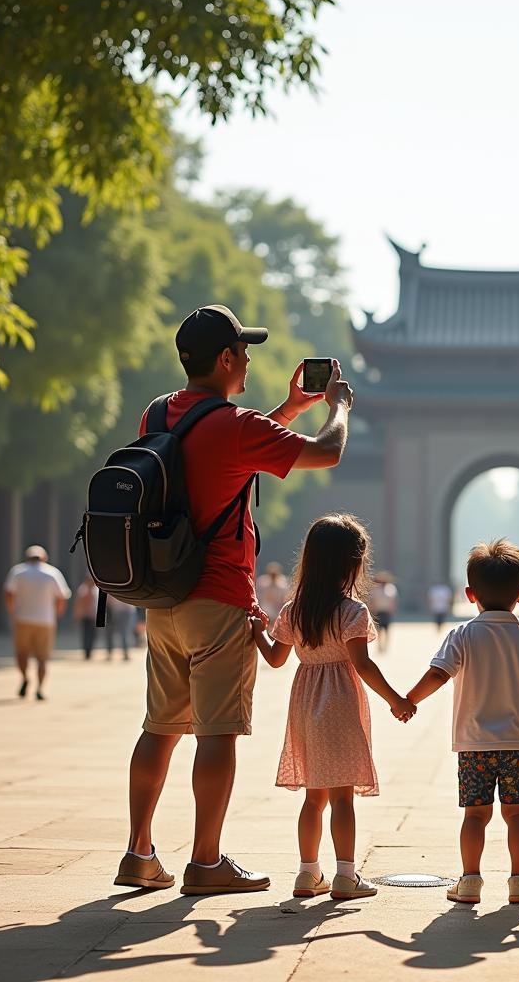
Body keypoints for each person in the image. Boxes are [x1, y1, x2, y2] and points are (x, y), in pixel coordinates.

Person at [114, 304, 355, 897]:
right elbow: (326, 452)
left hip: (163, 595)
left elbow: (215, 451)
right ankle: (205, 861)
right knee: (217, 732)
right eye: (243, 351)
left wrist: (290, 410)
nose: (248, 359)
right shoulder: (239, 425)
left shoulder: (158, 413)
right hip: (220, 598)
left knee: (160, 727)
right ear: (224, 359)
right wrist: (337, 407)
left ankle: (139, 853)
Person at [251, 515, 415, 900]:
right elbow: (363, 665)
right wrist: (396, 700)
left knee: (314, 796)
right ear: (354, 563)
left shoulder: (294, 610)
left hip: (305, 704)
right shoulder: (352, 613)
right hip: (341, 703)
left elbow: (276, 659)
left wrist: (258, 632)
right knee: (343, 796)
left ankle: (308, 874)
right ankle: (345, 875)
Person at [407, 540, 519, 905]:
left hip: (473, 743)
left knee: (475, 815)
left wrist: (408, 699)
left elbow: (438, 675)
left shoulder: (462, 635)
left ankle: (470, 880)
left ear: (470, 594)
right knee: (518, 814)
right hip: (518, 744)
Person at [3, 545, 71, 700]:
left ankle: (25, 677)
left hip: (23, 619)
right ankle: (40, 688)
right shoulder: (52, 573)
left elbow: (8, 593)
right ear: (44, 558)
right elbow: (62, 597)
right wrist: (56, 614)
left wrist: (12, 611)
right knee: (42, 658)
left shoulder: (18, 571)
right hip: (45, 621)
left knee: (22, 653)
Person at [368, 572, 399, 652]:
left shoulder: (391, 588)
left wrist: (392, 610)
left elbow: (394, 600)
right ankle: (379, 645)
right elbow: (372, 601)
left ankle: (385, 646)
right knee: (379, 630)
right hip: (378, 612)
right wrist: (372, 611)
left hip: (386, 612)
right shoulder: (375, 589)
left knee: (387, 630)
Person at [74, 574, 99, 660]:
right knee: (87, 634)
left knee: (93, 635)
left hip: (93, 616)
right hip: (86, 616)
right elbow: (80, 603)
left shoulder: (96, 589)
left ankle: (90, 650)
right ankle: (87, 652)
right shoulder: (84, 589)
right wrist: (78, 614)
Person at [105, 597, 135, 661]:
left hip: (123, 610)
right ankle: (124, 653)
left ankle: (124, 653)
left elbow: (108, 600)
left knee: (123, 633)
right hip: (120, 610)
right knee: (123, 633)